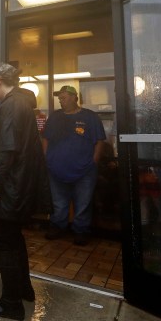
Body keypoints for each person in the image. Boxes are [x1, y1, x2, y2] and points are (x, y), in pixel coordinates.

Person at [0, 63, 47, 321]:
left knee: (5, 243)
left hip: (8, 188)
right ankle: (24, 289)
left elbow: (8, 149)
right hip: (17, 186)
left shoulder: (11, 105)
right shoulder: (21, 103)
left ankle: (11, 304)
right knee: (15, 240)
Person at [43, 85, 106, 246]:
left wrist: (94, 162)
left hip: (85, 170)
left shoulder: (90, 117)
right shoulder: (55, 117)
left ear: (74, 97)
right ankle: (57, 227)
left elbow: (99, 141)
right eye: (59, 98)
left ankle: (81, 231)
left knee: (83, 203)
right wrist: (46, 159)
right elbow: (46, 139)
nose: (60, 100)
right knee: (59, 203)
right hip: (56, 170)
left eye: (63, 97)